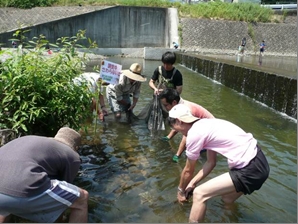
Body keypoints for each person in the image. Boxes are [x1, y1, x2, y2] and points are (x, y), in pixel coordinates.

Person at [167, 104, 270, 223]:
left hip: (249, 168)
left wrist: (180, 190)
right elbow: (211, 163)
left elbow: (188, 171)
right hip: (261, 163)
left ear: (179, 121)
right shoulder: (208, 124)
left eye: (176, 129)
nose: (179, 133)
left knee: (200, 194)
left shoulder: (194, 134)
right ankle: (228, 220)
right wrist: (192, 183)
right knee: (227, 198)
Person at [0, 127, 89, 223]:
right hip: (23, 186)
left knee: (6, 195)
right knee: (81, 198)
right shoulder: (73, 156)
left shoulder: (37, 143)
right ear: (76, 148)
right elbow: (62, 200)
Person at [159, 88, 214, 162]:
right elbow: (178, 124)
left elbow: (187, 135)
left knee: (192, 153)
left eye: (166, 105)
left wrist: (177, 155)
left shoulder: (186, 110)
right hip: (202, 127)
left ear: (174, 102)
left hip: (209, 132)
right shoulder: (179, 107)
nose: (165, 108)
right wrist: (168, 137)